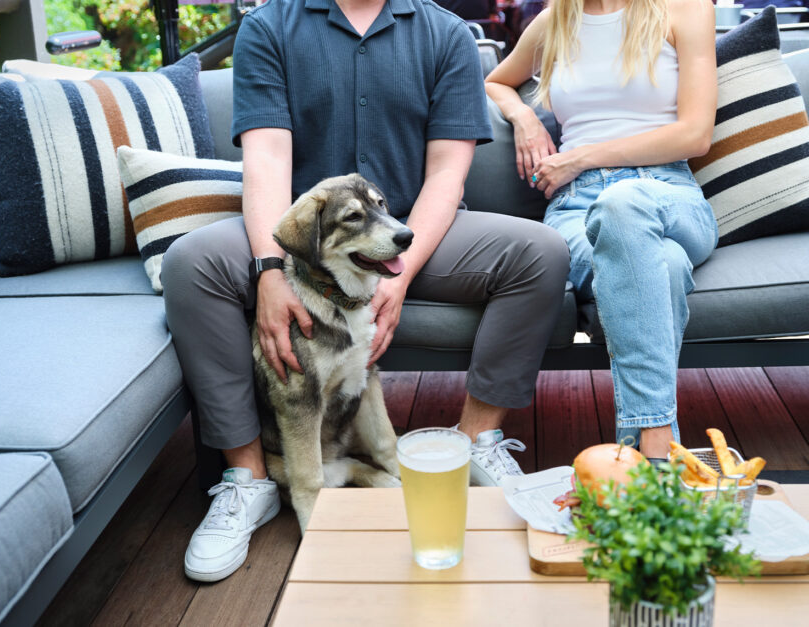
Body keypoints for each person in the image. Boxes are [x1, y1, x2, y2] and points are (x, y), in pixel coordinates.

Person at [161, 0, 570, 583]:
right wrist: (270, 270)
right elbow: (267, 160)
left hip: (410, 234)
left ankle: (475, 440)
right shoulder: (268, 27)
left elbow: (446, 176)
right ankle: (248, 479)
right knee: (190, 262)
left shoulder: (446, 34)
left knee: (541, 253)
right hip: (305, 242)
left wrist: (398, 276)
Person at [485, 0, 718, 460]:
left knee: (623, 204)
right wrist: (525, 118)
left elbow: (696, 134)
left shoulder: (686, 9)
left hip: (665, 189)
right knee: (662, 267)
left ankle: (647, 446)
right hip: (575, 208)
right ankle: (653, 456)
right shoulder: (554, 21)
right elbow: (495, 81)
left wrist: (579, 157)